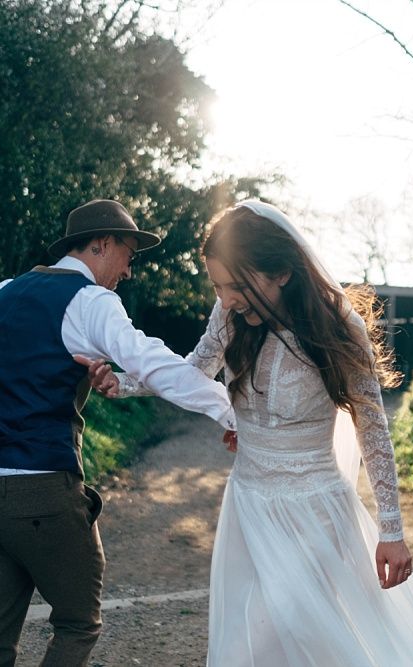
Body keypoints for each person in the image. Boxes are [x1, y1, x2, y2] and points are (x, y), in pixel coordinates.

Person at [91, 200, 413, 666]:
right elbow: (195, 369)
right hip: (248, 503)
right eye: (217, 286)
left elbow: (371, 425)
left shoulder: (339, 327)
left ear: (282, 272)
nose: (225, 298)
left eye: (235, 285)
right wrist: (123, 383)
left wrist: (391, 530)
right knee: (254, 638)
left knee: (300, 627)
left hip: (315, 511)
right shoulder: (229, 315)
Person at [0, 199, 236, 667]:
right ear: (102, 244)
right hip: (44, 489)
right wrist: (232, 413)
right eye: (128, 253)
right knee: (77, 622)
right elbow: (156, 363)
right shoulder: (90, 302)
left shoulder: (5, 290)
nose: (128, 270)